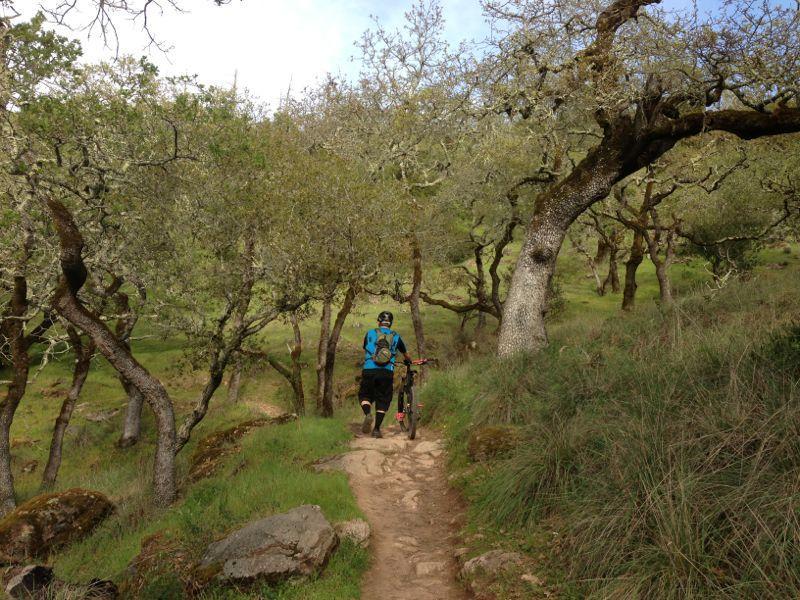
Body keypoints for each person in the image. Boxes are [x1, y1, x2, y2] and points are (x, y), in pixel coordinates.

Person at [359, 310, 412, 438]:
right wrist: (408, 360)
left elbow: (365, 347)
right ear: (390, 323)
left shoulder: (370, 333)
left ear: (379, 321)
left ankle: (367, 414)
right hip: (386, 371)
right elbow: (405, 353)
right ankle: (376, 430)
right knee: (383, 400)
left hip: (369, 369)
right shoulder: (396, 336)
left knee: (365, 395)